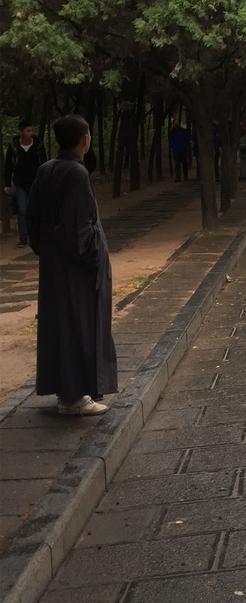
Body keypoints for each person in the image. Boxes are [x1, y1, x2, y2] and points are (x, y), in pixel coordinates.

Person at [26, 115, 114, 416]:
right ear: (84, 138)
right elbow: (79, 227)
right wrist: (93, 258)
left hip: (53, 264)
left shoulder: (45, 169)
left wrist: (45, 250)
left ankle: (66, 391)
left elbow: (32, 219)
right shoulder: (77, 173)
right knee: (80, 326)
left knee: (59, 327)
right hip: (77, 268)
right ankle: (75, 396)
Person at [4, 120, 48, 248]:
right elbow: (8, 166)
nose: (30, 133)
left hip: (35, 182)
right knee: (23, 210)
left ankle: (37, 236)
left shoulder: (38, 145)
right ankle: (23, 238)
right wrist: (7, 184)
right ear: (21, 132)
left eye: (31, 130)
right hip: (20, 183)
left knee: (36, 210)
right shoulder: (14, 147)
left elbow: (44, 163)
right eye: (27, 131)